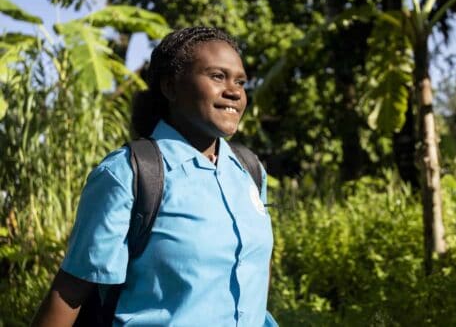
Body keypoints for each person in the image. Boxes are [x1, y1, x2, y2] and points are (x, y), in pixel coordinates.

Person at [32, 26, 277, 326]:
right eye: (217, 76)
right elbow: (69, 294)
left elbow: (254, 274)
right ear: (170, 87)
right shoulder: (128, 173)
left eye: (240, 81)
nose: (235, 91)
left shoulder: (249, 171)